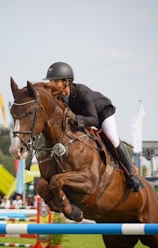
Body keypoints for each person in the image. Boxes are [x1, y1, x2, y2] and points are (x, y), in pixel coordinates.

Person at [43, 62, 143, 192]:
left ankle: (132, 175)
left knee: (112, 137)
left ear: (66, 82)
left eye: (54, 81)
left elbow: (94, 120)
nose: (50, 84)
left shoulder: (81, 91)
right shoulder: (57, 98)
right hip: (83, 119)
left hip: (102, 113)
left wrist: (74, 118)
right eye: (50, 81)